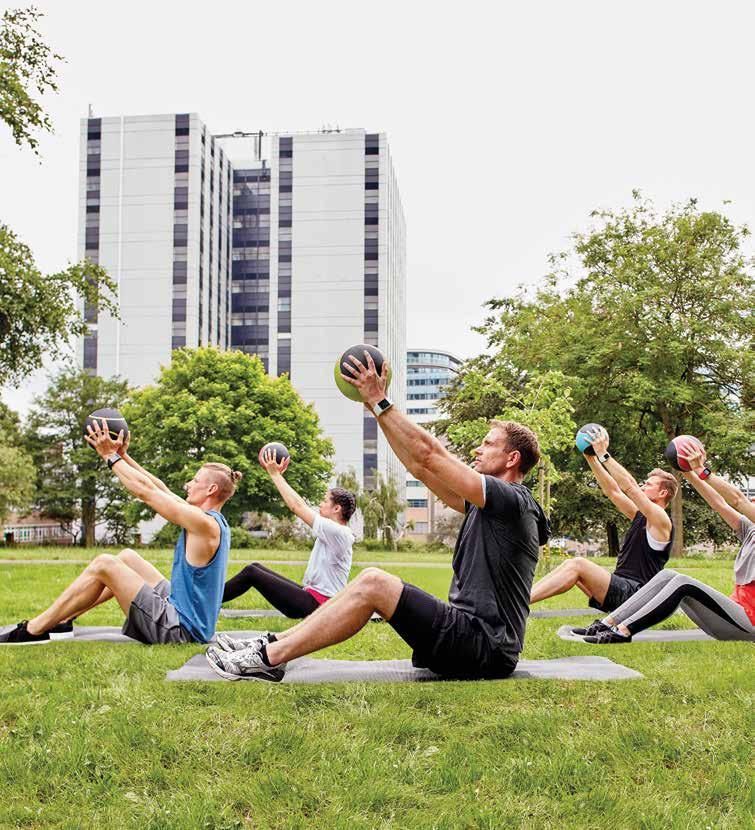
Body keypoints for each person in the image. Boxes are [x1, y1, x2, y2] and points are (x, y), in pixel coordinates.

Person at [206, 350, 549, 682]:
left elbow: (431, 455)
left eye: (488, 444)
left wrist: (382, 400)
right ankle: (271, 645)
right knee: (372, 580)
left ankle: (267, 660)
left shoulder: (512, 500)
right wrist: (373, 407)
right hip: (469, 635)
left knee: (374, 582)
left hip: (485, 645)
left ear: (511, 459)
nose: (477, 448)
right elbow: (418, 465)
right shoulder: (485, 505)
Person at [0, 418, 237, 645]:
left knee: (105, 564)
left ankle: (33, 629)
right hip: (182, 612)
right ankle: (62, 620)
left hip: (181, 630)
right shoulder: (210, 521)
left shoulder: (204, 524)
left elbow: (146, 492)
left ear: (211, 489)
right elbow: (158, 487)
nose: (188, 485)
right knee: (126, 558)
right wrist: (124, 457)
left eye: (195, 481)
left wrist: (109, 457)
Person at [579, 439, 754, 643]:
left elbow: (738, 500)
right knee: (668, 575)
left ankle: (624, 632)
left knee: (682, 582)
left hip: (748, 623)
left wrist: (702, 470)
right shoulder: (750, 531)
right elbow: (718, 504)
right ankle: (608, 623)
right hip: (730, 616)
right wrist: (688, 471)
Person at [530, 425, 676, 613]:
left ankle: (517, 603)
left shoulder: (661, 519)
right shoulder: (640, 516)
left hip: (636, 595)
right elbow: (613, 491)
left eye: (648, 484)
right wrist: (591, 458)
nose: (642, 486)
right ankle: (520, 599)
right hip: (623, 590)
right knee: (572, 565)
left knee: (577, 564)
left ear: (663, 492)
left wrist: (603, 454)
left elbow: (629, 486)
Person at [220, 447, 356, 618]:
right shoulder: (333, 531)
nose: (320, 504)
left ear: (336, 508)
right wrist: (278, 477)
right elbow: (299, 504)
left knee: (251, 573)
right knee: (255, 568)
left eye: (324, 500)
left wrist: (275, 475)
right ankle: (210, 601)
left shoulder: (338, 532)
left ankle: (207, 603)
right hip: (312, 597)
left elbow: (297, 506)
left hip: (319, 607)